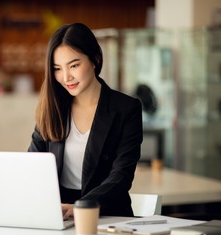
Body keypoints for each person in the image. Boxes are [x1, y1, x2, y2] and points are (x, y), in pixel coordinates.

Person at [28, 23, 143, 219]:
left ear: (95, 59)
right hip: (59, 214)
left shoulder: (126, 109)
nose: (66, 77)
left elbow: (121, 176)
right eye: (57, 68)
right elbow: (33, 166)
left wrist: (81, 206)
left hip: (106, 215)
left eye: (74, 65)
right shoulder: (52, 108)